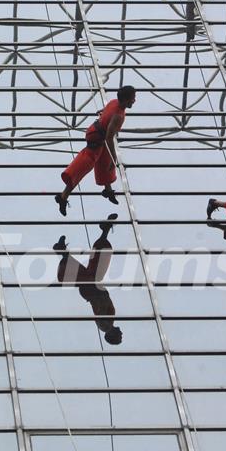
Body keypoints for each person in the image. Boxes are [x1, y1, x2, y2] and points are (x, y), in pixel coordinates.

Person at [55, 86, 136, 216]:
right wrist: (114, 158)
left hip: (96, 133)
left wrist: (103, 115)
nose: (134, 101)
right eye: (132, 99)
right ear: (126, 100)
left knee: (105, 162)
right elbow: (109, 137)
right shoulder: (118, 116)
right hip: (97, 139)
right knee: (81, 168)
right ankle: (62, 197)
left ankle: (108, 190)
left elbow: (104, 111)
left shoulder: (114, 102)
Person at [52, 214, 122, 345]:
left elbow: (100, 308)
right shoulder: (108, 324)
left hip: (93, 292)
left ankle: (105, 230)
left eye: (120, 337)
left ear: (113, 336)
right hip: (94, 290)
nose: (121, 334)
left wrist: (100, 294)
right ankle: (104, 230)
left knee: (93, 268)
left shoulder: (105, 326)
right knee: (95, 264)